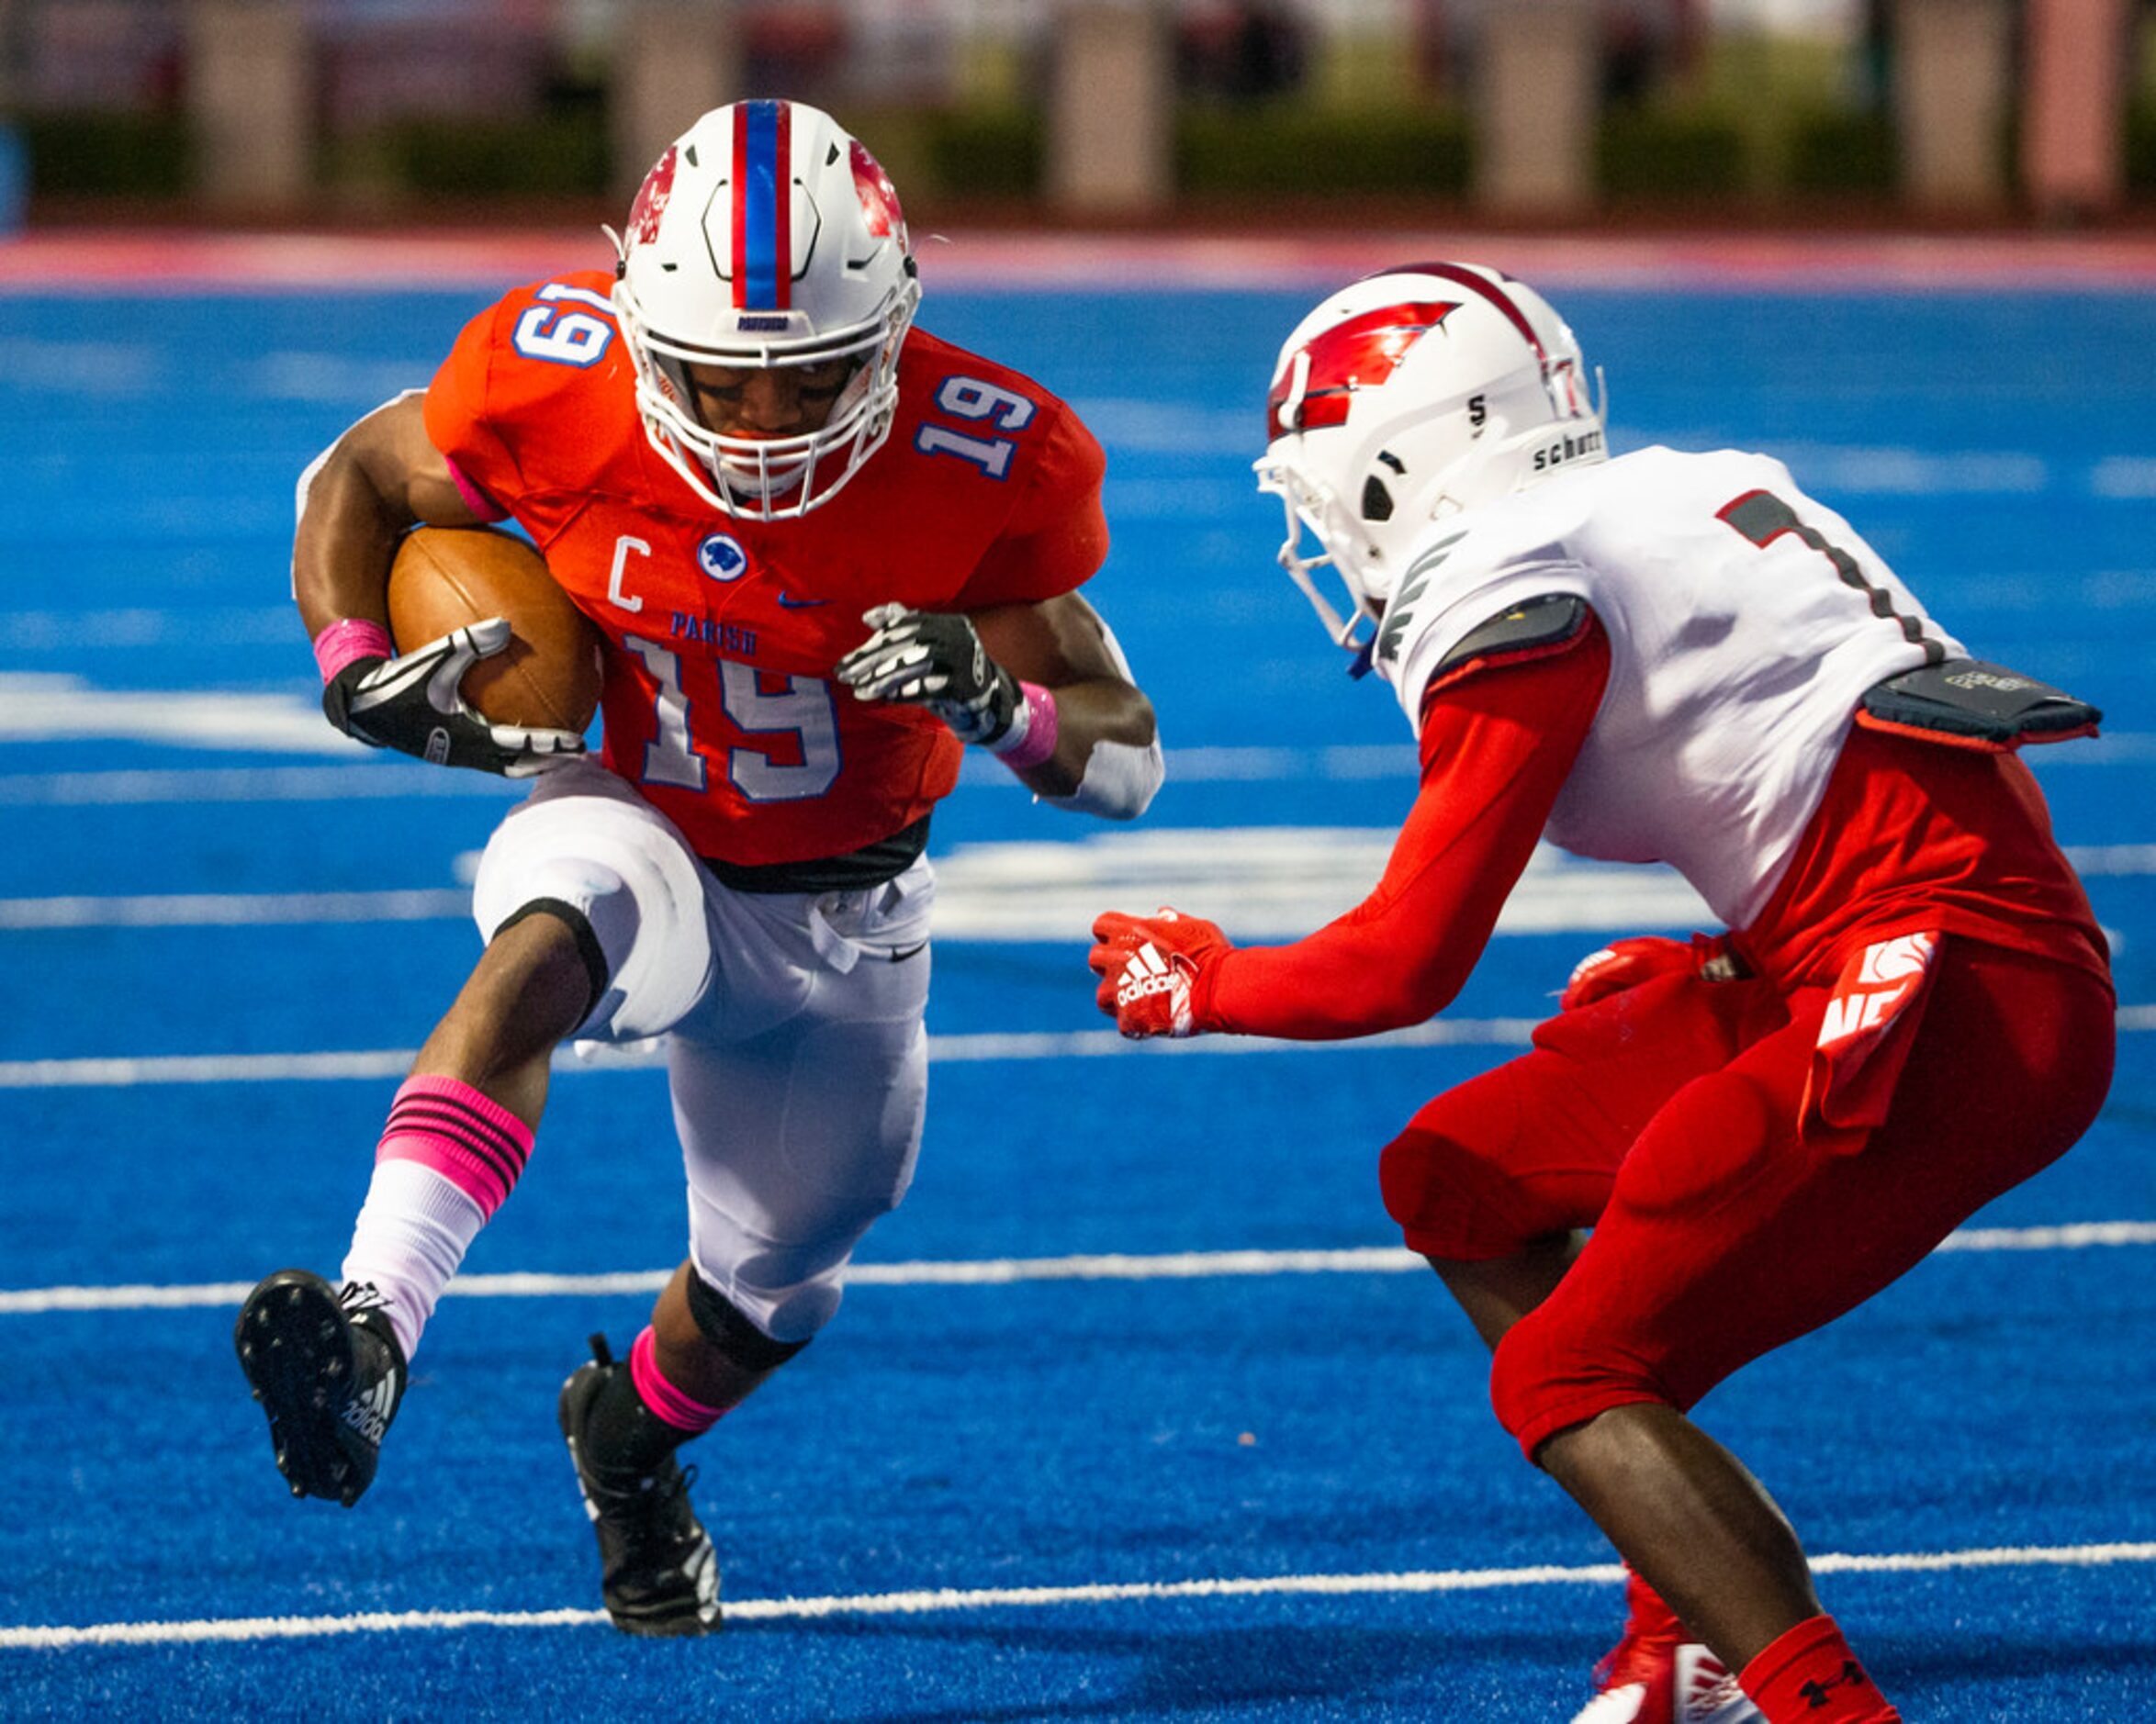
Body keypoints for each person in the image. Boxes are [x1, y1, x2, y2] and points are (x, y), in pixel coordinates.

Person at [1086, 262, 2111, 1724]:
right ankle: (1691, 1640)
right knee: (1460, 1175)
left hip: (1952, 992)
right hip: (1883, 954)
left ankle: (1821, 1705)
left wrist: (1204, 980)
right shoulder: (1677, 491)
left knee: (1568, 1368)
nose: (1322, 529)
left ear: (1400, 458)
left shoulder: (1521, 584)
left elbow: (1404, 962)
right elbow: (1837, 775)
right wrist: (1746, 958)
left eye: (1324, 491)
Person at [235, 99, 1162, 1638]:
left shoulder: (989, 454)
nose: (759, 423)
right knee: (554, 929)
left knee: (777, 1278)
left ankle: (630, 1436)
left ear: (895, 327)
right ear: (637, 320)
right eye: (720, 379)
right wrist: (347, 660)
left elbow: (1129, 758)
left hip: (847, 909)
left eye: (808, 374)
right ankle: (370, 1330)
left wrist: (1003, 705)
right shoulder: (553, 380)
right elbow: (357, 475)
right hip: (639, 814)